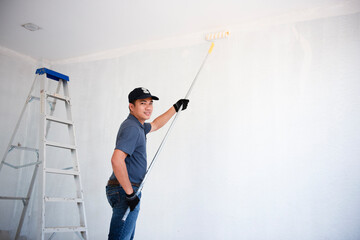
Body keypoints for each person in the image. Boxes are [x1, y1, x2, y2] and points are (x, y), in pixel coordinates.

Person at [106, 87, 189, 240]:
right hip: (125, 190)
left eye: (150, 103)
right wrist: (130, 194)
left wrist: (175, 108)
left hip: (124, 189)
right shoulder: (132, 128)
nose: (148, 107)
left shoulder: (138, 126)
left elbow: (156, 124)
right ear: (132, 106)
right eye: (143, 103)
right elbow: (116, 160)